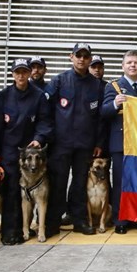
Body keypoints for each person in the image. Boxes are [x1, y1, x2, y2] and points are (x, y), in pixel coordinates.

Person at [45, 42, 105, 236]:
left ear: (90, 59)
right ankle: (52, 222)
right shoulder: (59, 81)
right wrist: (49, 136)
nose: (81, 59)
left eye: (86, 56)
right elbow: (45, 110)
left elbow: (100, 118)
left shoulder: (97, 85)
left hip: (85, 145)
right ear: (71, 57)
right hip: (61, 144)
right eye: (78, 55)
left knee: (80, 184)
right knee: (58, 183)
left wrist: (98, 143)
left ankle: (80, 221)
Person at [0, 58, 53, 245]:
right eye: (17, 72)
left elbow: (45, 121)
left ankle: (28, 227)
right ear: (12, 74)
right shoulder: (3, 95)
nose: (21, 75)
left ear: (29, 73)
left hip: (31, 152)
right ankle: (11, 231)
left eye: (24, 72)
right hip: (10, 151)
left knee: (32, 194)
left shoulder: (38, 96)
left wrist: (39, 138)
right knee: (12, 192)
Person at [102, 51, 137, 234]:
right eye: (129, 62)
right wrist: (115, 103)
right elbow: (104, 112)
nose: (133, 65)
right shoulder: (114, 86)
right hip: (121, 143)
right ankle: (120, 220)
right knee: (121, 184)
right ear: (122, 66)